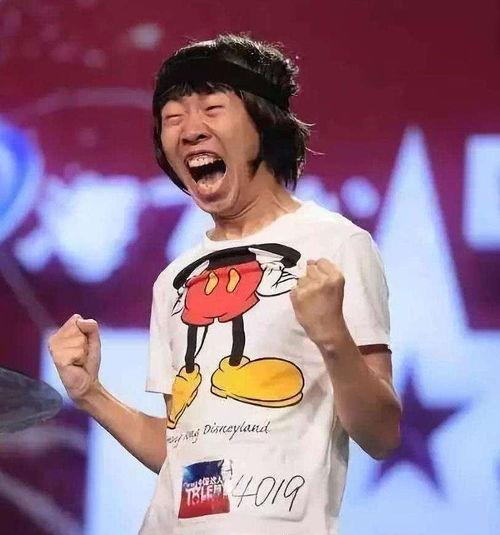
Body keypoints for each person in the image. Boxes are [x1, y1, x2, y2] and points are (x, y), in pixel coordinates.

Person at [48, 33, 401, 535]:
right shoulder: (174, 279)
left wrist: (333, 338)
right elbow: (186, 454)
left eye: (212, 109)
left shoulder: (337, 245)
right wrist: (91, 394)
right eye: (172, 118)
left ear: (264, 123)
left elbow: (382, 434)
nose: (190, 130)